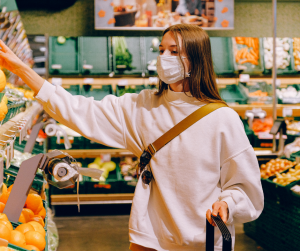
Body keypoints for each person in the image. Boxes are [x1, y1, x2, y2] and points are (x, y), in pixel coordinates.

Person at [0, 24, 264, 251]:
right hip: (149, 238)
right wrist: (21, 69)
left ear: (196, 59)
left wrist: (228, 203)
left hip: (203, 239)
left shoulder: (222, 119)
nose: (164, 57)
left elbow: (246, 187)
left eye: (174, 51)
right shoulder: (143, 106)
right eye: (161, 50)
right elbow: (80, 110)